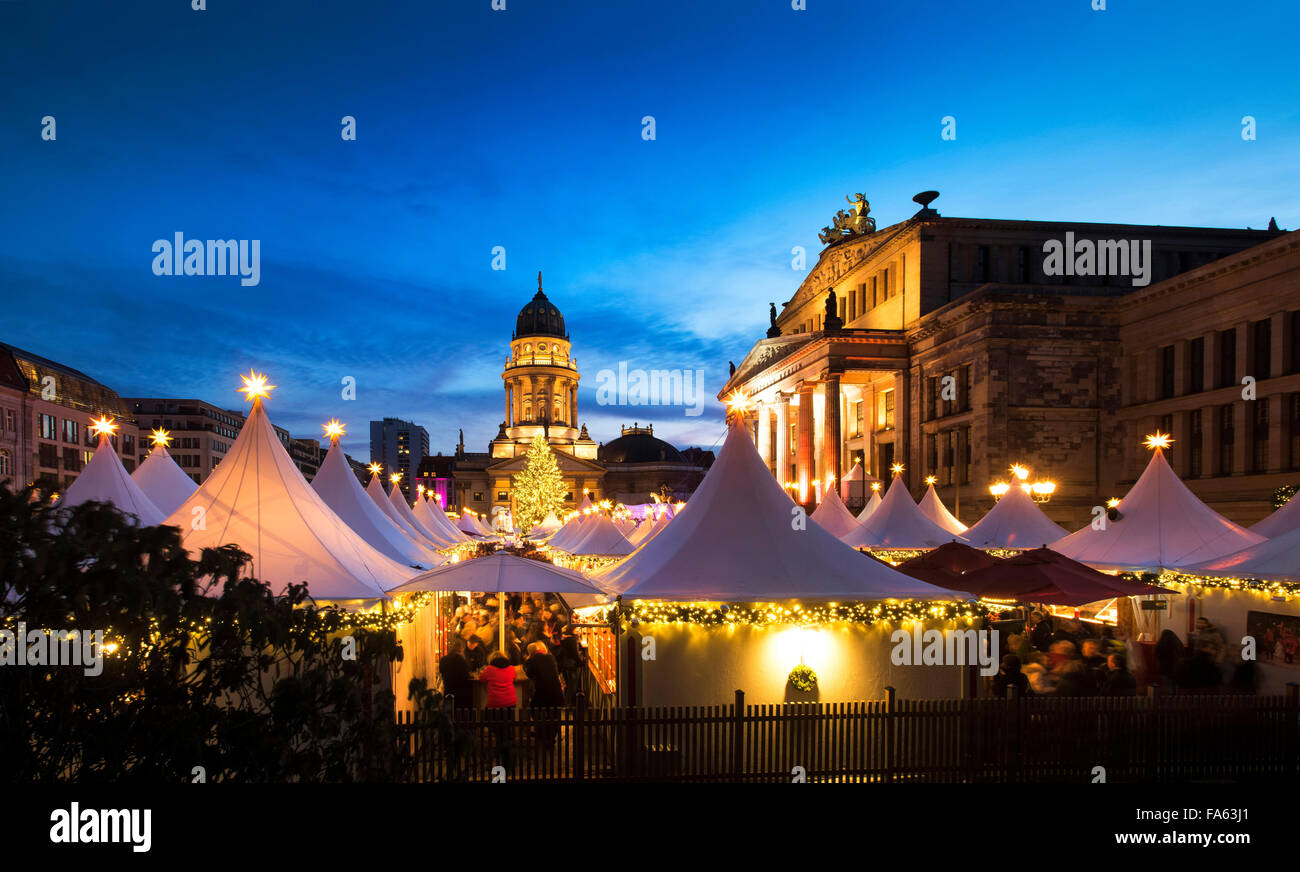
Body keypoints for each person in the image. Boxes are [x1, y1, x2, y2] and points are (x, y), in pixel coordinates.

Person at [523, 641, 566, 750]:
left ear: (530, 653)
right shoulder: (550, 657)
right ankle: (551, 739)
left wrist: (527, 662)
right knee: (555, 716)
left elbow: (529, 674)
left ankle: (542, 733)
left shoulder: (532, 660)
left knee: (535, 709)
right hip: (556, 692)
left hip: (542, 692)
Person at [481, 650, 520, 750]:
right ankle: (508, 746)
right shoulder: (511, 668)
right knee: (507, 724)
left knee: (489, 721)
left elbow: (482, 679)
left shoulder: (489, 669)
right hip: (510, 701)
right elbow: (515, 678)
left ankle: (501, 743)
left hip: (495, 702)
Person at [556, 622, 585, 704]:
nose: (579, 631)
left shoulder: (565, 638)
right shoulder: (572, 640)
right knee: (573, 686)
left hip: (566, 664)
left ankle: (567, 703)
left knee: (569, 685)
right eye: (577, 629)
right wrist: (582, 662)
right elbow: (575, 654)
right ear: (573, 629)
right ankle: (569, 704)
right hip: (573, 665)